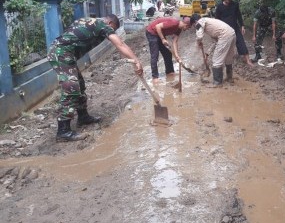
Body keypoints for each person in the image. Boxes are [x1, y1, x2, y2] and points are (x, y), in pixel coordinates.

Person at [47, 14, 143, 142]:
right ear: (110, 24)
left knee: (79, 85)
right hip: (60, 54)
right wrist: (136, 61)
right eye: (112, 29)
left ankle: (83, 117)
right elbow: (119, 44)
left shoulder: (86, 20)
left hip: (64, 54)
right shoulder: (102, 25)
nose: (111, 33)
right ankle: (63, 131)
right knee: (71, 89)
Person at [190, 14, 236, 87]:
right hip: (232, 33)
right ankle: (229, 78)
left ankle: (217, 82)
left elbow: (199, 36)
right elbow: (215, 42)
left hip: (224, 35)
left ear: (195, 22)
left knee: (216, 60)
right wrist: (207, 53)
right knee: (228, 58)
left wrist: (198, 42)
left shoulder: (200, 22)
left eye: (193, 25)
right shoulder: (210, 23)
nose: (195, 27)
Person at [146, 17, 192, 85]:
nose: (187, 29)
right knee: (155, 55)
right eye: (188, 27)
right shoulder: (174, 23)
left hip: (160, 33)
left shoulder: (179, 29)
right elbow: (157, 27)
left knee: (168, 53)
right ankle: (154, 77)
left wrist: (176, 55)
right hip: (152, 32)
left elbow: (175, 42)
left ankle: (169, 72)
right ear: (186, 25)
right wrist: (163, 39)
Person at [215, 0, 253, 67]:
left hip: (235, 27)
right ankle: (224, 61)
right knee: (224, 45)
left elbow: (239, 15)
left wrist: (242, 26)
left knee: (241, 42)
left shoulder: (235, 5)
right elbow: (217, 19)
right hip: (224, 30)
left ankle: (248, 60)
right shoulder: (219, 6)